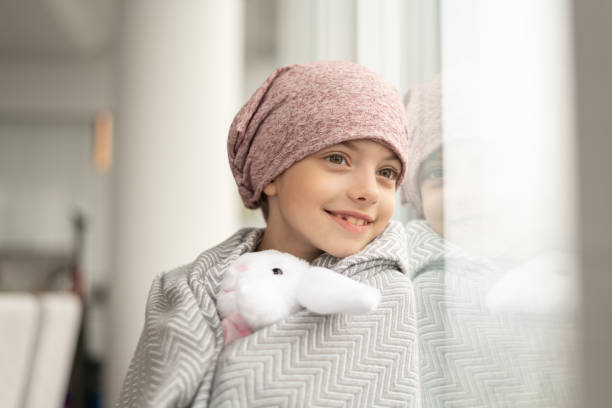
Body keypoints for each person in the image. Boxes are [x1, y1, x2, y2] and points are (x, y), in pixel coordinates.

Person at [116, 61, 420, 407]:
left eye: (387, 172)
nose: (368, 191)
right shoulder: (180, 291)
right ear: (272, 172)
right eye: (337, 158)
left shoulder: (385, 299)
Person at [401, 75, 575, 407]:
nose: (465, 195)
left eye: (489, 166)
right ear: (416, 194)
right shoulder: (426, 294)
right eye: (439, 173)